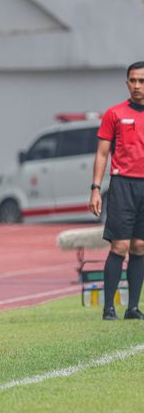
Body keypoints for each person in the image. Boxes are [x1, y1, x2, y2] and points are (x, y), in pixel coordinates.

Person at [89, 61, 144, 321]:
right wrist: (95, 189)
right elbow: (101, 154)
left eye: (142, 81)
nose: (137, 86)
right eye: (133, 81)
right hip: (122, 185)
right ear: (126, 83)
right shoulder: (114, 113)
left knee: (140, 246)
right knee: (120, 246)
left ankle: (133, 307)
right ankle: (108, 307)